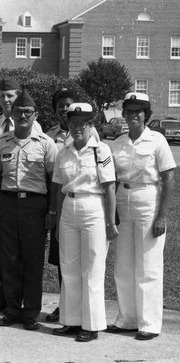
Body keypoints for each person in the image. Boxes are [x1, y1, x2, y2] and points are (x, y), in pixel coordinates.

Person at [106, 92, 176, 340]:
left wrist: (161, 216)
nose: (133, 115)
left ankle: (149, 323)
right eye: (129, 110)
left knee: (148, 265)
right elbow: (110, 178)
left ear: (147, 115)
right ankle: (127, 319)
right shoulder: (118, 142)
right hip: (123, 199)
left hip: (148, 199)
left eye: (139, 111)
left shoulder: (157, 141)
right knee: (123, 265)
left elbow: (168, 178)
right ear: (123, 114)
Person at [0, 90, 57, 331]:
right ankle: (12, 309)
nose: (23, 116)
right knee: (9, 259)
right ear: (12, 115)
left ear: (35, 115)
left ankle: (31, 313)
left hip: (34, 206)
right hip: (7, 203)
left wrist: (51, 211)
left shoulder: (46, 144)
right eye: (19, 112)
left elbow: (54, 180)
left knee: (33, 260)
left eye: (28, 112)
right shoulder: (1, 142)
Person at [49, 103, 118, 342]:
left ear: (91, 125)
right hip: (69, 207)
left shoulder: (102, 151)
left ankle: (91, 325)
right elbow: (58, 188)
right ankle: (71, 320)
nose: (77, 128)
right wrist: (57, 221)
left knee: (92, 269)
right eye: (73, 123)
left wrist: (111, 222)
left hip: (93, 208)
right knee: (68, 268)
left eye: (82, 123)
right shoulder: (63, 152)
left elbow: (110, 188)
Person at [0, 77, 43, 314]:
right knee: (3, 254)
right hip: (2, 196)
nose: (6, 100)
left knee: (27, 256)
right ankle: (5, 301)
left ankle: (27, 309)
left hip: (29, 198)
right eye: (2, 96)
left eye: (10, 96)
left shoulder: (35, 129)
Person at [44, 87, 101, 323]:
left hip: (86, 203)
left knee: (87, 265)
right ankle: (66, 308)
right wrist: (52, 210)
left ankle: (86, 317)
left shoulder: (92, 137)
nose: (64, 110)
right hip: (62, 203)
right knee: (64, 261)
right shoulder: (51, 134)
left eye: (67, 106)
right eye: (60, 107)